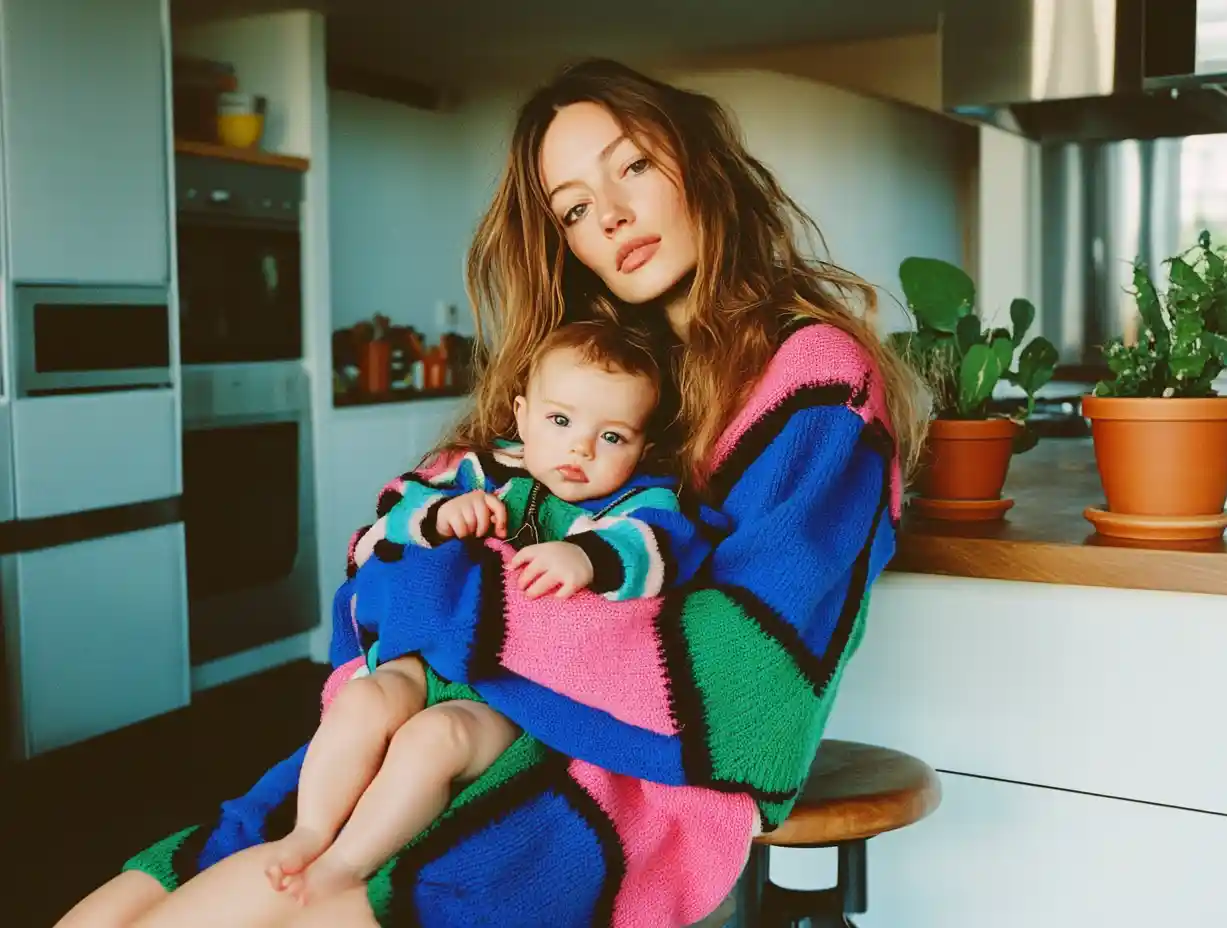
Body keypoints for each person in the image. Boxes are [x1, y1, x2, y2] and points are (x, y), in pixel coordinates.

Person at [54, 57, 926, 928]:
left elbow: (744, 685)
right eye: (575, 208)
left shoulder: (817, 383)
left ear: (700, 161)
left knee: (308, 890)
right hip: (447, 719)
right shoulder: (587, 373)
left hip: (622, 778)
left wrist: (459, 607)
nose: (611, 214)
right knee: (159, 884)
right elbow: (373, 575)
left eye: (631, 165)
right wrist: (435, 609)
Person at [261, 320, 710, 905]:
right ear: (522, 416)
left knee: (435, 738)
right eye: (561, 421)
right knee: (364, 699)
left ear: (643, 448)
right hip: (430, 658)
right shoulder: (478, 470)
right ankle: (310, 832)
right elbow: (393, 509)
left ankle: (347, 864)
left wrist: (588, 557)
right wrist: (442, 515)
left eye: (613, 437)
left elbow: (663, 547)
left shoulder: (635, 501)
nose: (581, 447)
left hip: (513, 695)